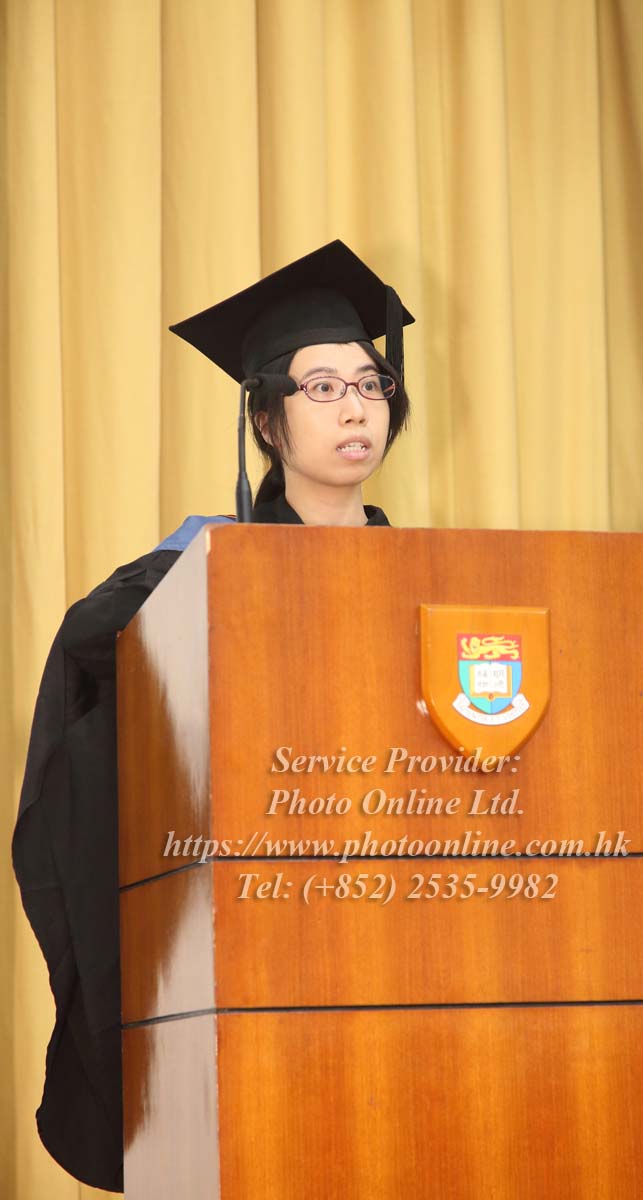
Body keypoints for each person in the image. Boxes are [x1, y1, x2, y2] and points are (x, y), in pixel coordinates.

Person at [12, 240, 414, 1191]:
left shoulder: (427, 574)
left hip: (399, 914)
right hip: (251, 927)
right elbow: (89, 678)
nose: (356, 407)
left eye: (371, 384)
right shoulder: (195, 569)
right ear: (267, 421)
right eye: (322, 388)